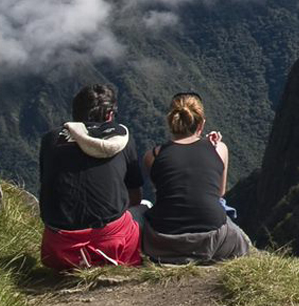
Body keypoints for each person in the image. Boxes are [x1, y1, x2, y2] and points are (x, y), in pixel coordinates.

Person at [136, 92, 251, 264]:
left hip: (163, 243)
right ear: (202, 123)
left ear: (171, 122)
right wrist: (211, 147)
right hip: (212, 241)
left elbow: (166, 189)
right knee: (234, 230)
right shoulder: (220, 150)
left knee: (142, 210)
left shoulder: (152, 156)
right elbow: (219, 193)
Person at [38, 84, 143, 269]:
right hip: (112, 246)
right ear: (110, 115)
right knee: (144, 210)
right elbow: (135, 197)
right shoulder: (122, 140)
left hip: (59, 250)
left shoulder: (50, 139)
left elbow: (47, 185)